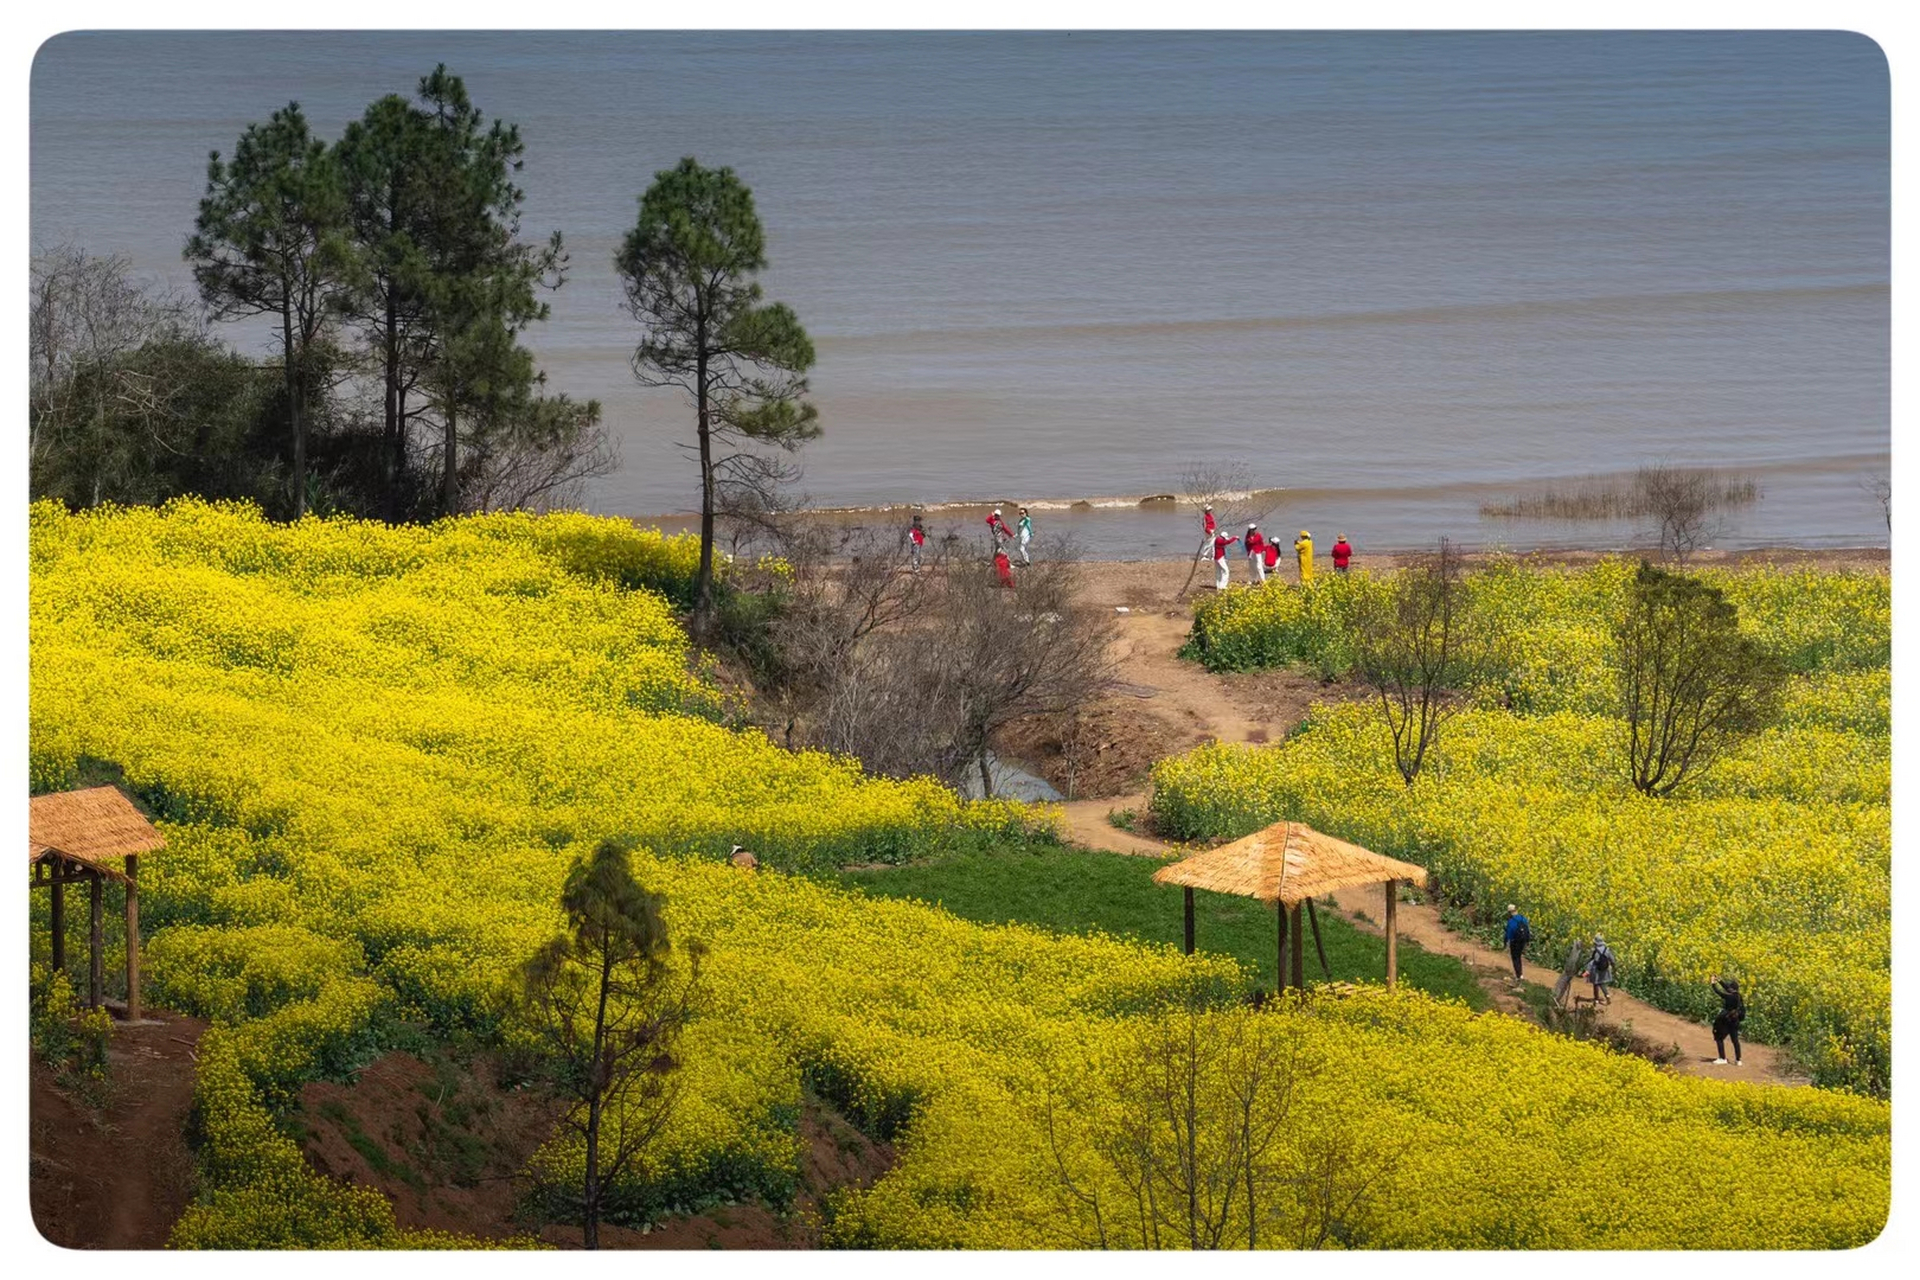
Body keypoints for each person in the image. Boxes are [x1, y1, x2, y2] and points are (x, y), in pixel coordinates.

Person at [1710, 976, 1746, 1066]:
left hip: (1727, 1021)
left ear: (1731, 989)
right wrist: (1720, 981)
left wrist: (1713, 983)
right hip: (1735, 1021)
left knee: (1719, 1038)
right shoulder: (1738, 996)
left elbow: (1719, 992)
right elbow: (1727, 988)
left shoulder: (1729, 997)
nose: (1727, 988)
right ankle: (1738, 1060)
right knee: (1735, 1040)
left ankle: (1722, 1058)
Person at [1583, 934, 1616, 1005]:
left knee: (1596, 984)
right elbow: (1612, 959)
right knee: (1602, 983)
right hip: (1605, 969)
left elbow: (1591, 960)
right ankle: (1607, 995)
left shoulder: (1594, 950)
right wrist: (1614, 967)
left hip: (1596, 969)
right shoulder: (1607, 949)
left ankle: (1596, 999)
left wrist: (1587, 969)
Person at [1502, 904, 1531, 980]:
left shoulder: (1511, 921)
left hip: (1515, 941)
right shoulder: (1523, 918)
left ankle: (1519, 975)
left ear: (1509, 912)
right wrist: (1527, 942)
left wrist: (1506, 943)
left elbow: (1509, 933)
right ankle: (1520, 974)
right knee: (1519, 957)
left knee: (1515, 958)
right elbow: (1527, 930)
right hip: (1523, 941)